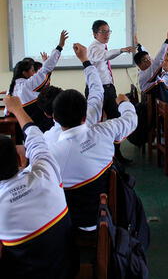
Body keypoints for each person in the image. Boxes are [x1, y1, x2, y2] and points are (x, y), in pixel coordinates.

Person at [49, 45, 137, 229]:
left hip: (67, 222)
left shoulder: (50, 151)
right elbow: (99, 93)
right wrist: (125, 104)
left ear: (54, 118)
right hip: (104, 215)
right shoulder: (104, 130)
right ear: (84, 116)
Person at [0, 95, 75, 279]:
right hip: (68, 269)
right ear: (20, 159)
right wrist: (18, 109)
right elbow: (35, 138)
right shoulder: (46, 171)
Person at [87, 20, 136, 164]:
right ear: (95, 34)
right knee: (95, 122)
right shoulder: (94, 48)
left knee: (115, 119)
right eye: (103, 31)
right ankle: (98, 158)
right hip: (97, 90)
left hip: (108, 88)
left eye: (108, 31)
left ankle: (116, 156)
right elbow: (105, 56)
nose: (107, 34)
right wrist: (121, 50)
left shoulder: (102, 46)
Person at [39, 45, 104, 147]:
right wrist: (84, 59)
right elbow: (97, 89)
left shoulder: (48, 139)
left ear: (48, 115)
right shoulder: (90, 115)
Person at [7, 30, 68, 132]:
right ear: (24, 73)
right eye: (32, 70)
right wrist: (60, 46)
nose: (34, 72)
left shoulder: (12, 88)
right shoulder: (28, 84)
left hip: (22, 126)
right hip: (39, 124)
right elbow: (46, 69)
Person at [132, 27, 168, 100]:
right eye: (145, 60)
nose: (149, 61)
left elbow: (147, 55)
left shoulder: (146, 69)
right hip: (154, 103)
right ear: (139, 65)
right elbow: (159, 58)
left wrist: (138, 45)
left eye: (149, 58)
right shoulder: (147, 72)